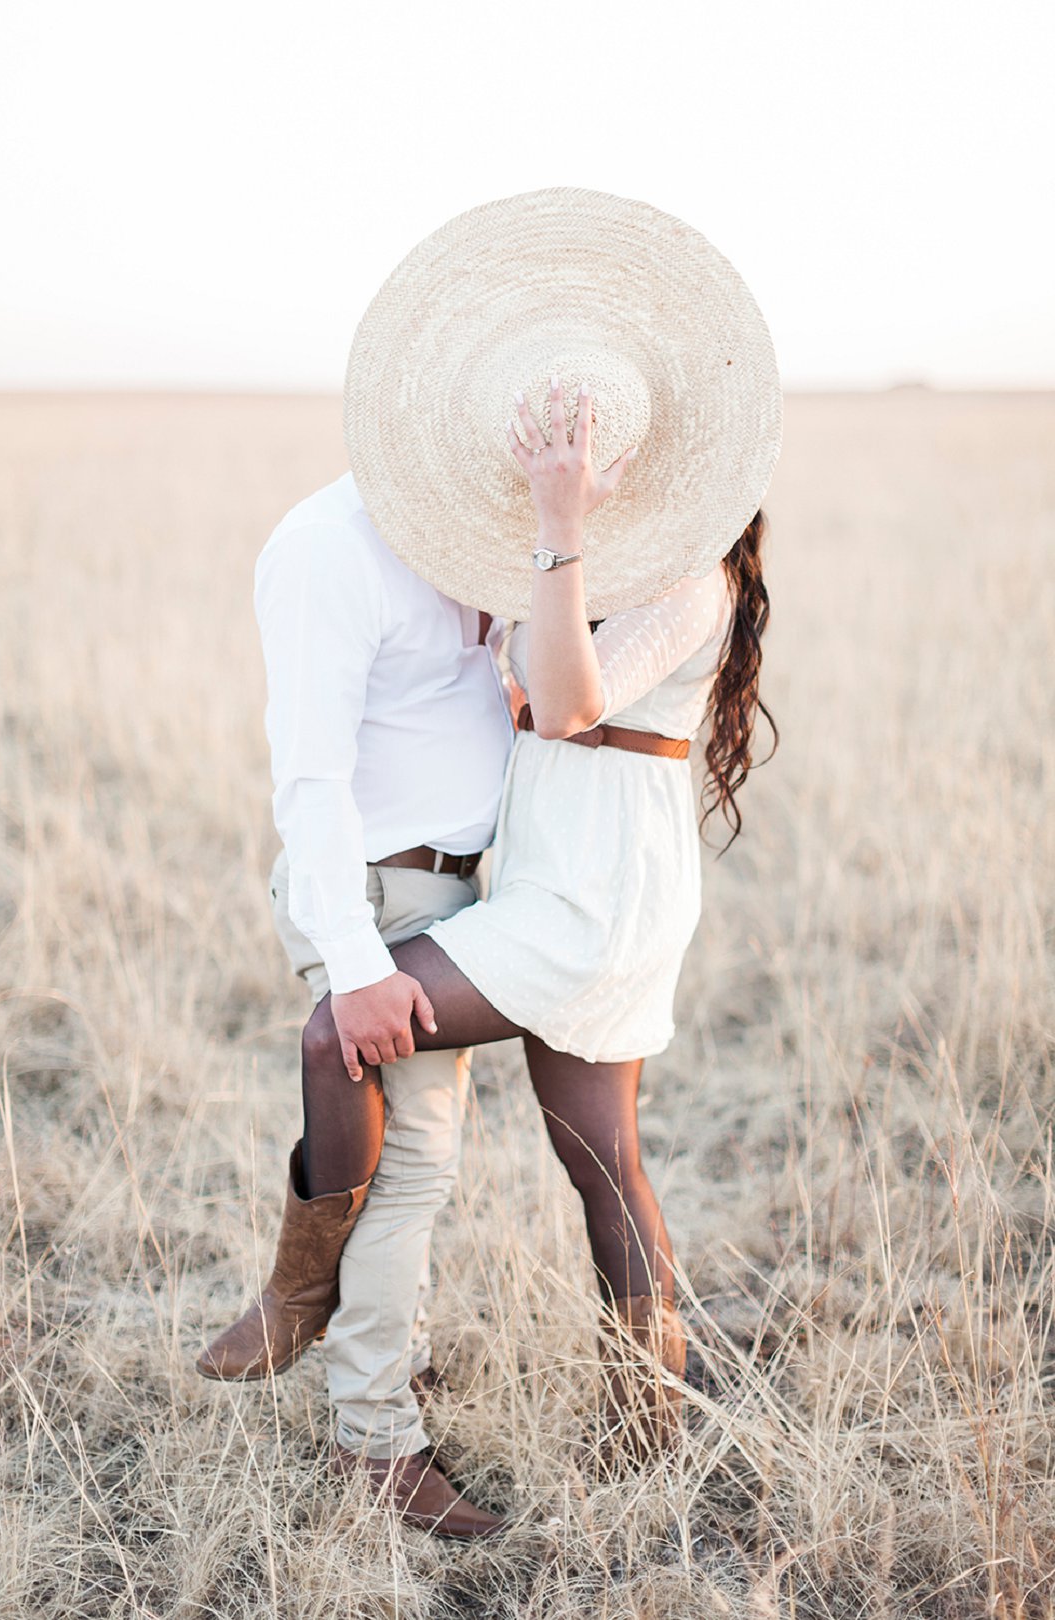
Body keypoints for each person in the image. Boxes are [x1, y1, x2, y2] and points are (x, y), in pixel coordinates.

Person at [201, 184, 783, 1537]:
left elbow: (557, 700)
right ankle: (646, 1417)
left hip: (581, 893)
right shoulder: (397, 551)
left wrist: (562, 527)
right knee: (599, 1157)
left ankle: (309, 1304)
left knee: (348, 1040)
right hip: (546, 877)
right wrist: (552, 539)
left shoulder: (669, 579)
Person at [195, 470, 516, 1539]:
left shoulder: (475, 521)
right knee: (416, 1161)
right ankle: (374, 1442)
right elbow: (311, 777)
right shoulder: (328, 546)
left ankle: (322, 1316)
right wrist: (353, 961)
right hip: (372, 895)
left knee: (407, 1152)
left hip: (445, 886)